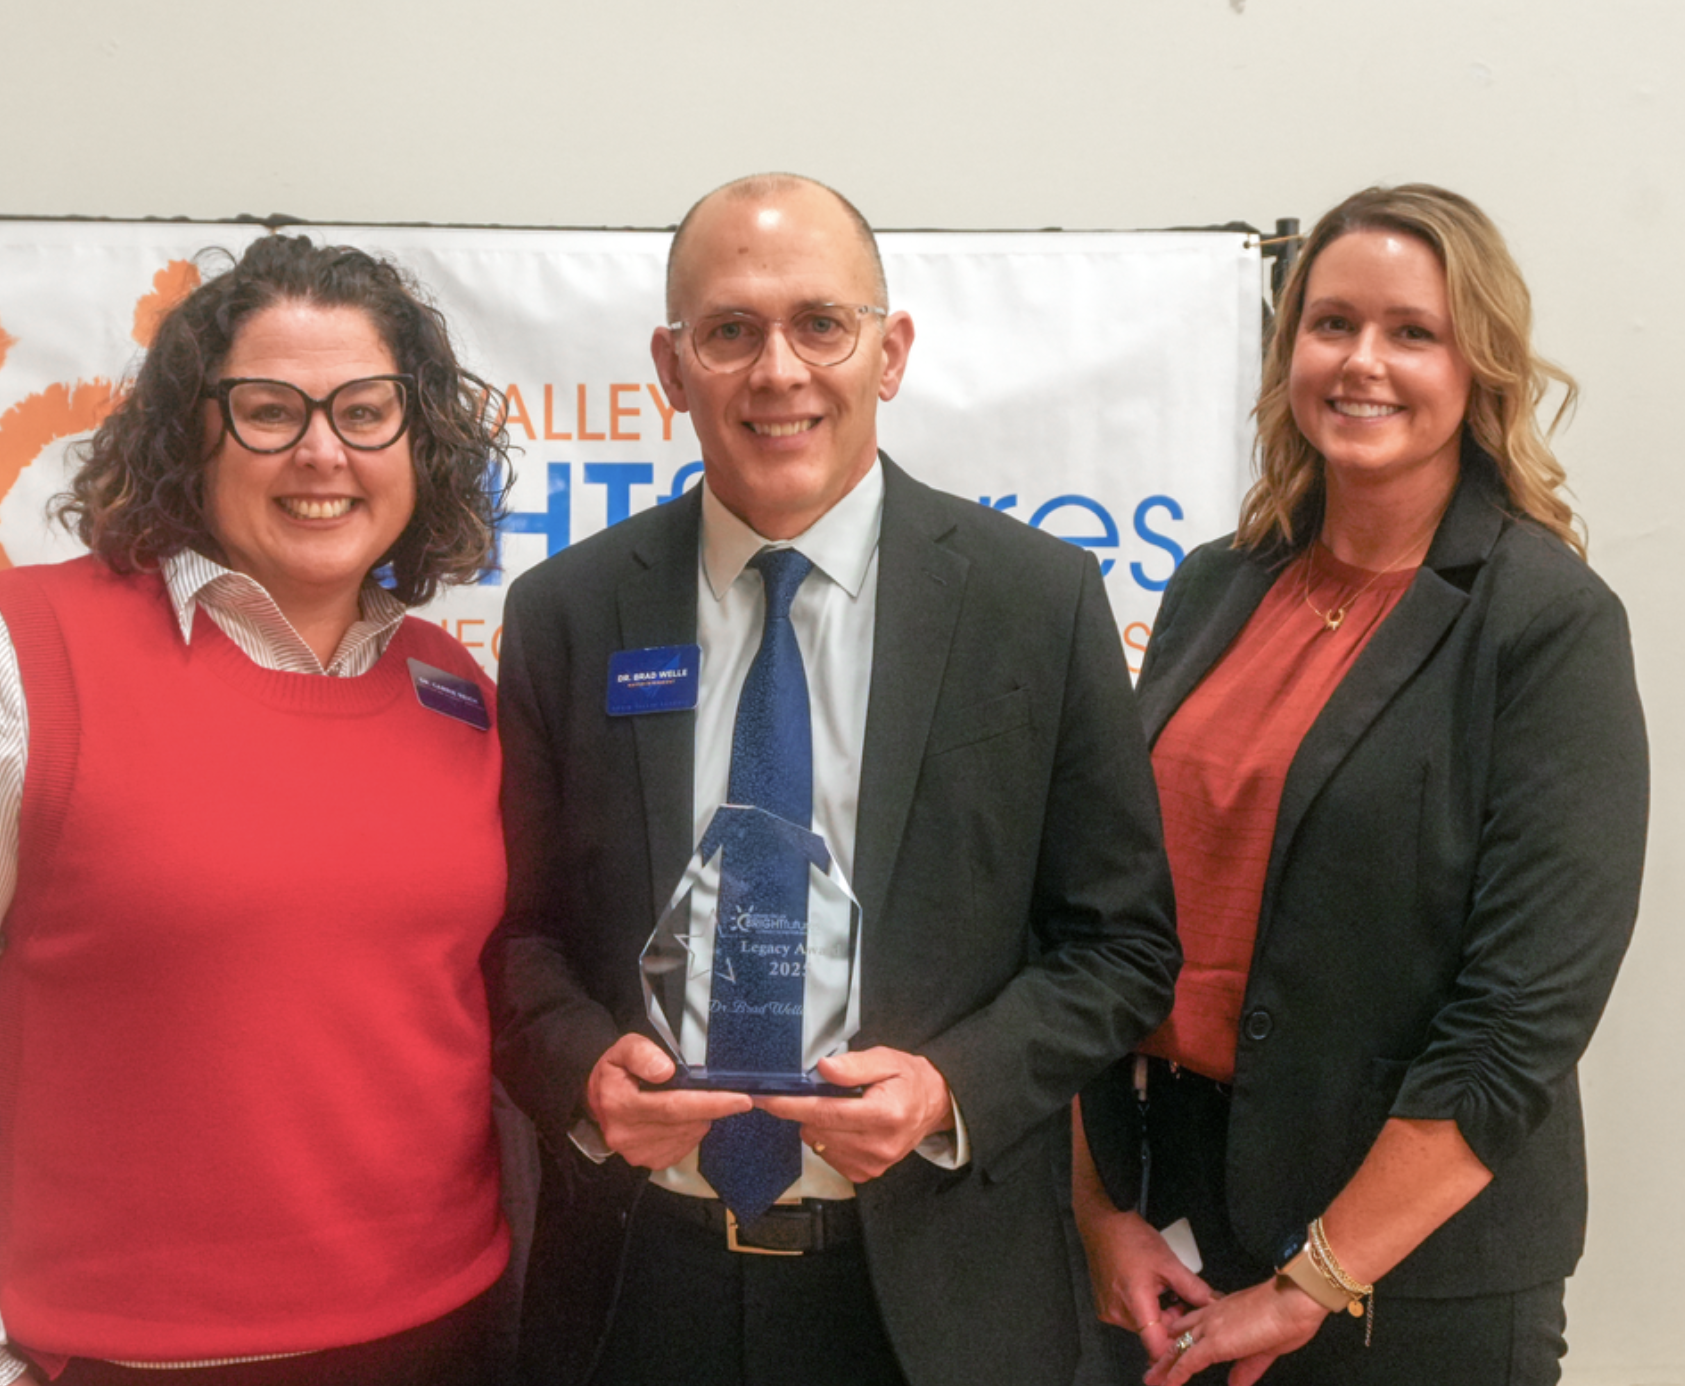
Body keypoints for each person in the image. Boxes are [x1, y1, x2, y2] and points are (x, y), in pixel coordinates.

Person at [484, 172, 1180, 1386]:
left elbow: (1120, 948)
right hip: (640, 1293)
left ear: (889, 350)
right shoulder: (569, 614)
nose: (778, 371)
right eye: (729, 331)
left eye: (821, 323)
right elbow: (514, 938)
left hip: (935, 1300)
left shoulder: (1035, 605)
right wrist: (584, 1076)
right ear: (669, 363)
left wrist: (949, 1086)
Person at [0, 236, 515, 1386]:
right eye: (268, 410)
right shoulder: (14, 655)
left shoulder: (458, 692)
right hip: (125, 1359)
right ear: (192, 432)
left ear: (420, 444)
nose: (322, 450)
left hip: (444, 1334)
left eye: (366, 411)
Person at [1071, 184, 1648, 1386]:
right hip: (1169, 1242)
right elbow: (1100, 916)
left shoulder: (1545, 626)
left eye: (1411, 332)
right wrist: (1098, 1213)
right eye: (1330, 324)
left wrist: (1310, 1282)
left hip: (1406, 1283)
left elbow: (1519, 1023)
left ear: (1478, 366)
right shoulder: (1213, 587)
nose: (1362, 362)